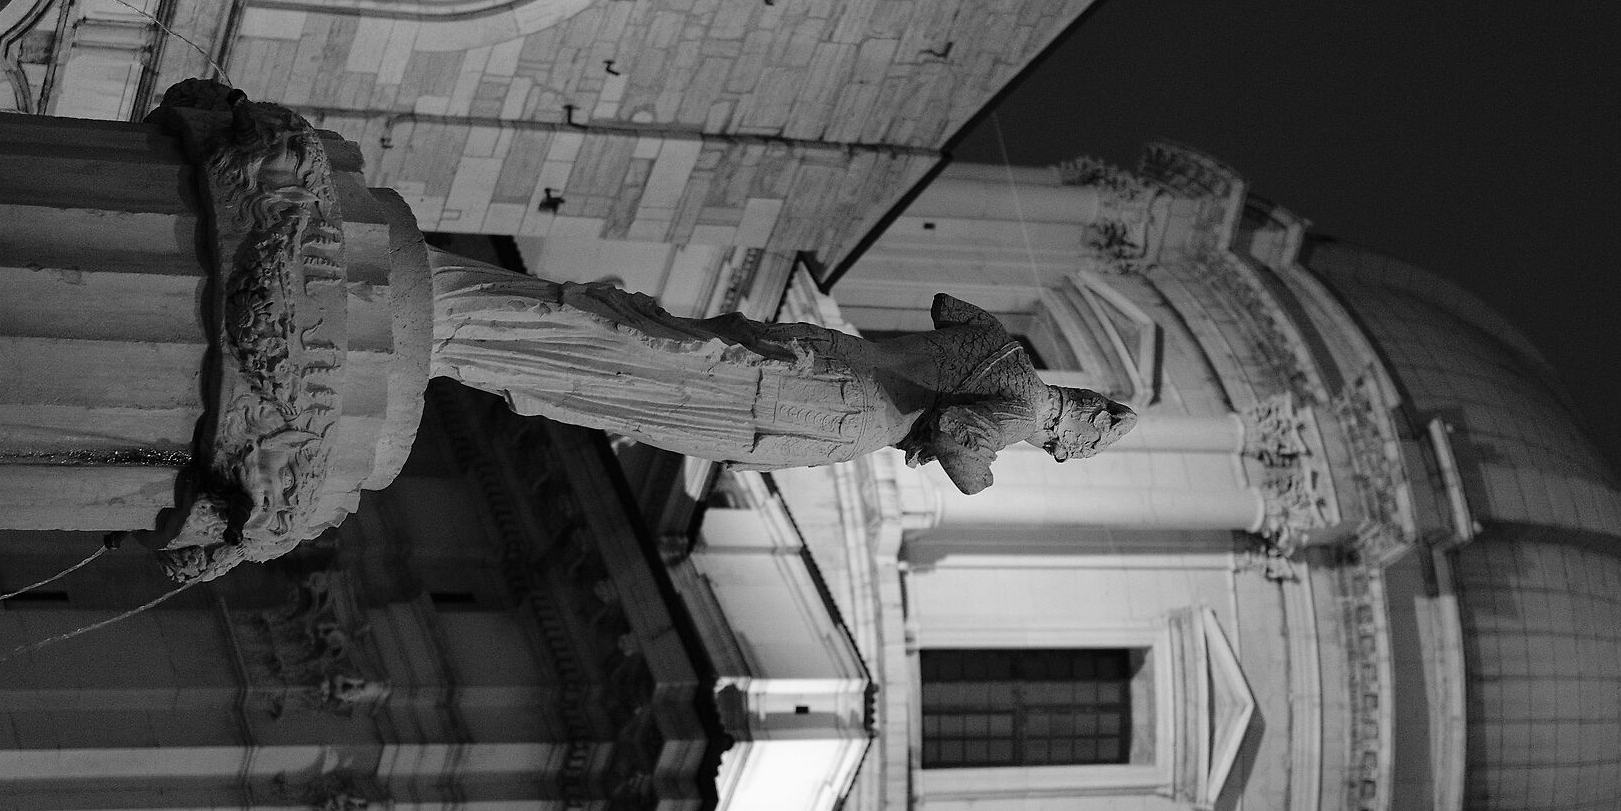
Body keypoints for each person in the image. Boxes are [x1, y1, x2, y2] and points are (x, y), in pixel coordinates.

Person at [422, 255, 1137, 492]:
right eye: (1060, 445)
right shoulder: (1020, 415)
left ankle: (482, 317)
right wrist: (978, 478)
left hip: (826, 350)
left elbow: (948, 306)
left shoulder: (1004, 347)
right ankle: (474, 333)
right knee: (655, 386)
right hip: (833, 408)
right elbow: (955, 432)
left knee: (668, 345)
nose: (1049, 447)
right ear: (1071, 422)